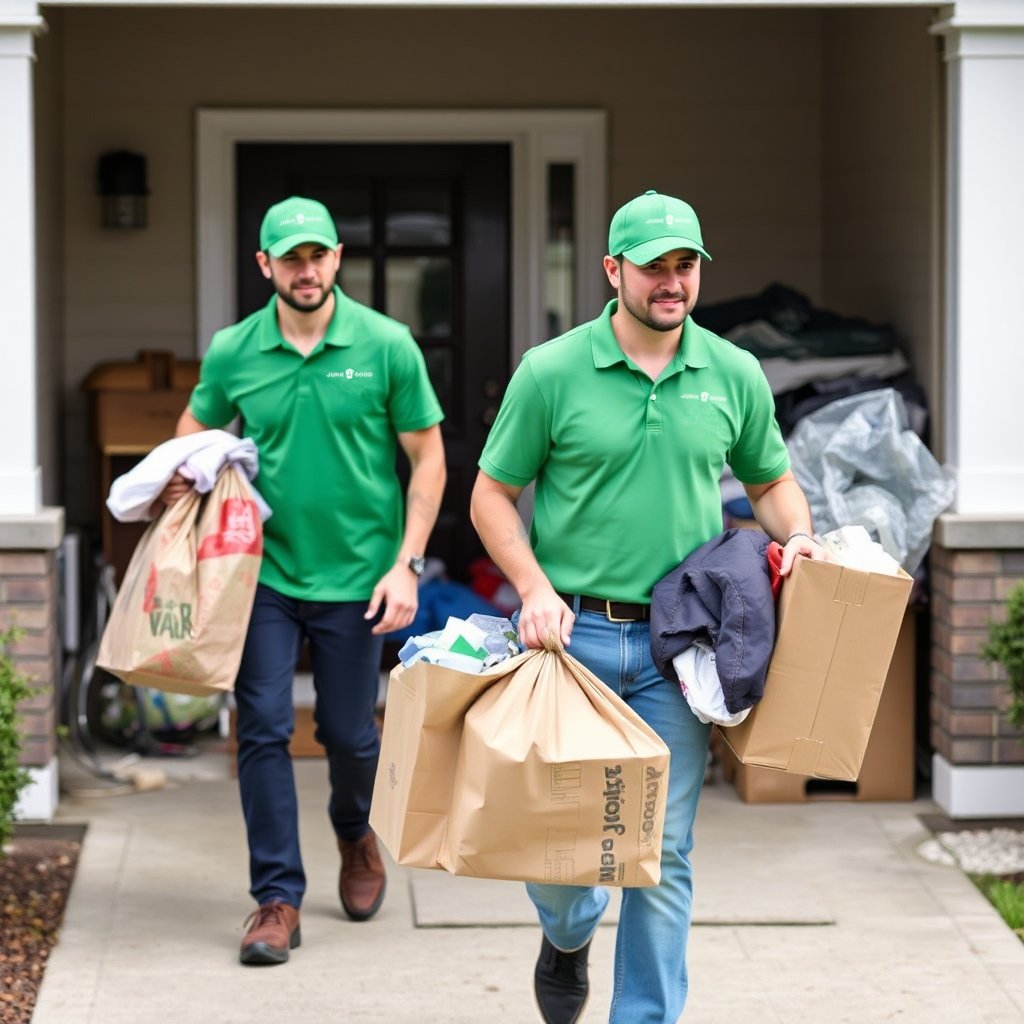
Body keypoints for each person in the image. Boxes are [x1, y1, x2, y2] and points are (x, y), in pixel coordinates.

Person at [469, 189, 827, 1023]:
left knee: (659, 852)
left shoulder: (732, 373)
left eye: (686, 265)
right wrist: (533, 589)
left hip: (681, 645)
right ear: (612, 271)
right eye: (655, 266)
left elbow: (770, 480)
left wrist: (799, 534)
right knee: (563, 855)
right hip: (572, 642)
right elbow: (491, 495)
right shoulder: (552, 371)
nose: (672, 282)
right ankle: (567, 933)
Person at [161, 195, 446, 966]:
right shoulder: (235, 350)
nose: (308, 270)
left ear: (338, 260)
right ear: (265, 266)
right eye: (291, 258)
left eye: (319, 255)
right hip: (264, 575)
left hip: (360, 577)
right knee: (260, 729)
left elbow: (428, 454)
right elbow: (195, 431)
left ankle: (355, 834)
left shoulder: (386, 345)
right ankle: (276, 899)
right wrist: (196, 475)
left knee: (350, 737)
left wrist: (407, 562)